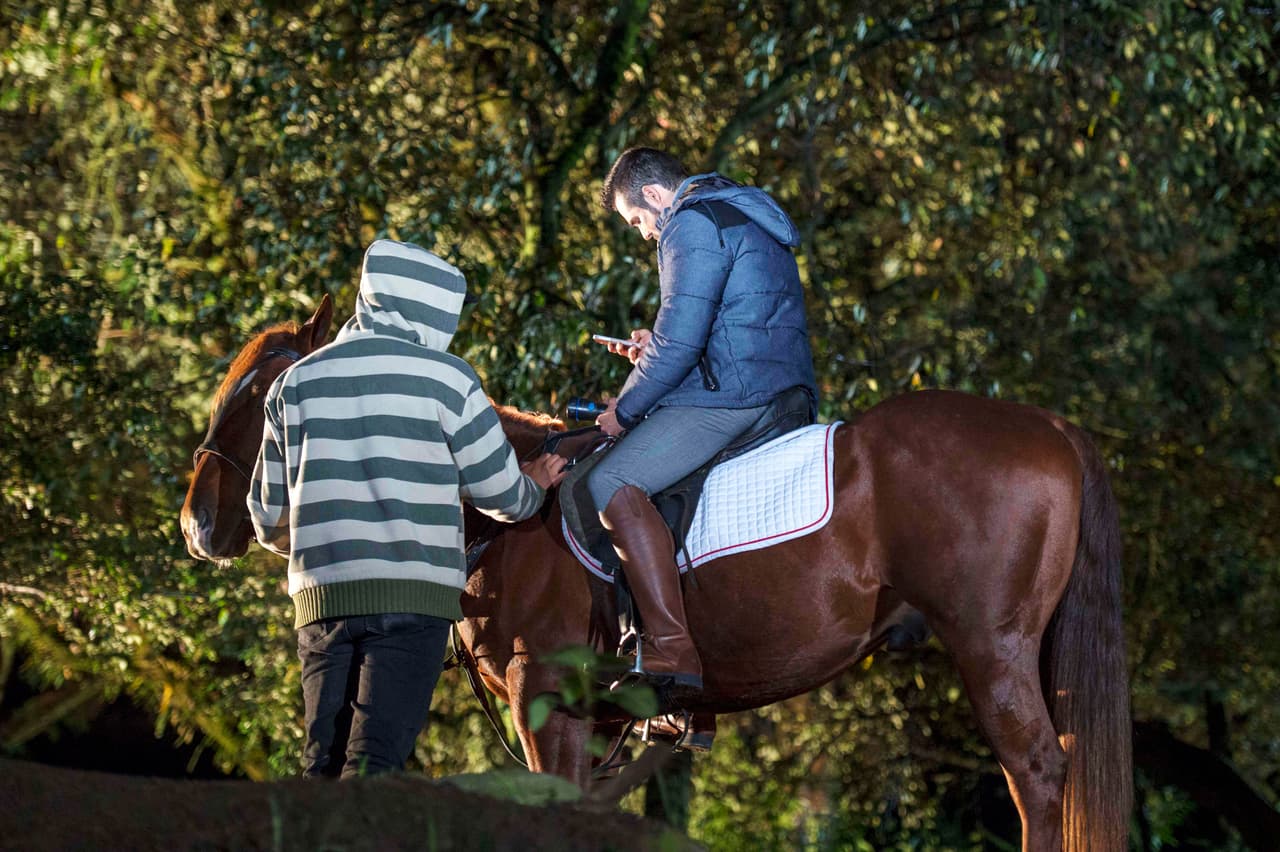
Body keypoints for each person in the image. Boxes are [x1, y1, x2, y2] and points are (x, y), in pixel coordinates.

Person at [247, 238, 567, 778]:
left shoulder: (293, 384)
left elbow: (267, 519)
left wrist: (327, 539)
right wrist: (531, 484)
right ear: (436, 310)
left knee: (319, 764)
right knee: (373, 766)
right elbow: (501, 497)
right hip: (411, 602)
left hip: (321, 603)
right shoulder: (447, 379)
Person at [590, 147, 817, 696]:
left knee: (607, 480)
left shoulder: (688, 222)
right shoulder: (734, 210)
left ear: (651, 195)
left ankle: (670, 646)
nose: (643, 234)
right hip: (783, 384)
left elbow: (681, 343)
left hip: (740, 395)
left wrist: (622, 411)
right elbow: (717, 324)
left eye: (637, 221)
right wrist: (650, 347)